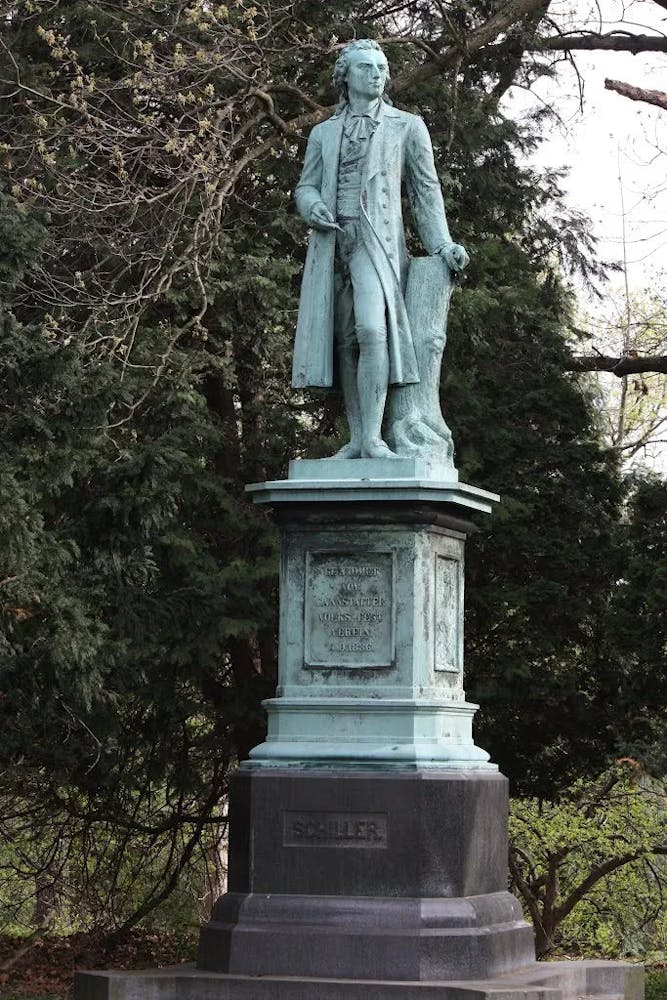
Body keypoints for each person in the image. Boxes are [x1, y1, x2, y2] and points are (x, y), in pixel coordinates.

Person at [292, 39, 469, 460]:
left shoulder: (406, 125)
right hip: (335, 242)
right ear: (346, 77)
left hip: (378, 243)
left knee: (373, 330)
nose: (377, 74)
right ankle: (358, 439)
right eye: (367, 67)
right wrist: (312, 204)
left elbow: (426, 191)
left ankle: (373, 437)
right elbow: (306, 185)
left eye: (382, 67)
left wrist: (441, 244)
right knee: (347, 339)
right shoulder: (324, 132)